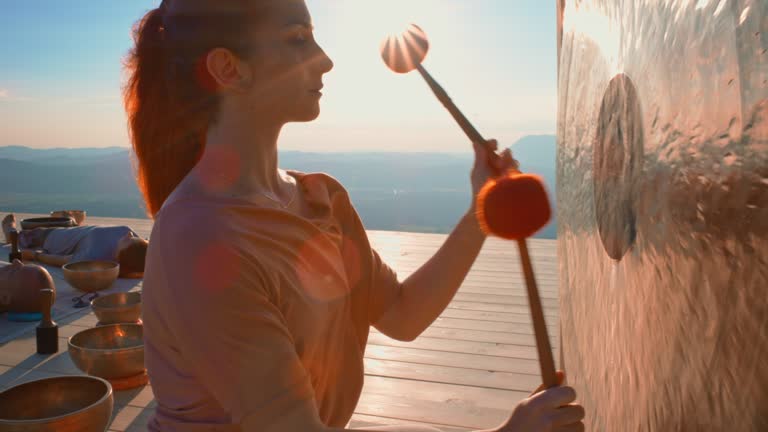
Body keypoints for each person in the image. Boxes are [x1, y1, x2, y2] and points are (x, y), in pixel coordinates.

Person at [126, 1, 585, 431]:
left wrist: (478, 211)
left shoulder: (318, 199)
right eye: (297, 38)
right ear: (229, 68)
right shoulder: (199, 240)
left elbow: (403, 315)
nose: (325, 59)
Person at [2, 214, 148, 278]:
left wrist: (35, 255)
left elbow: (64, 261)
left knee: (30, 235)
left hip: (56, 239)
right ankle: (71, 220)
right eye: (135, 237)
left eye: (130, 240)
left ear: (120, 255)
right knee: (67, 223)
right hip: (83, 231)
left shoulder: (94, 257)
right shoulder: (128, 232)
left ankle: (10, 231)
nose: (130, 235)